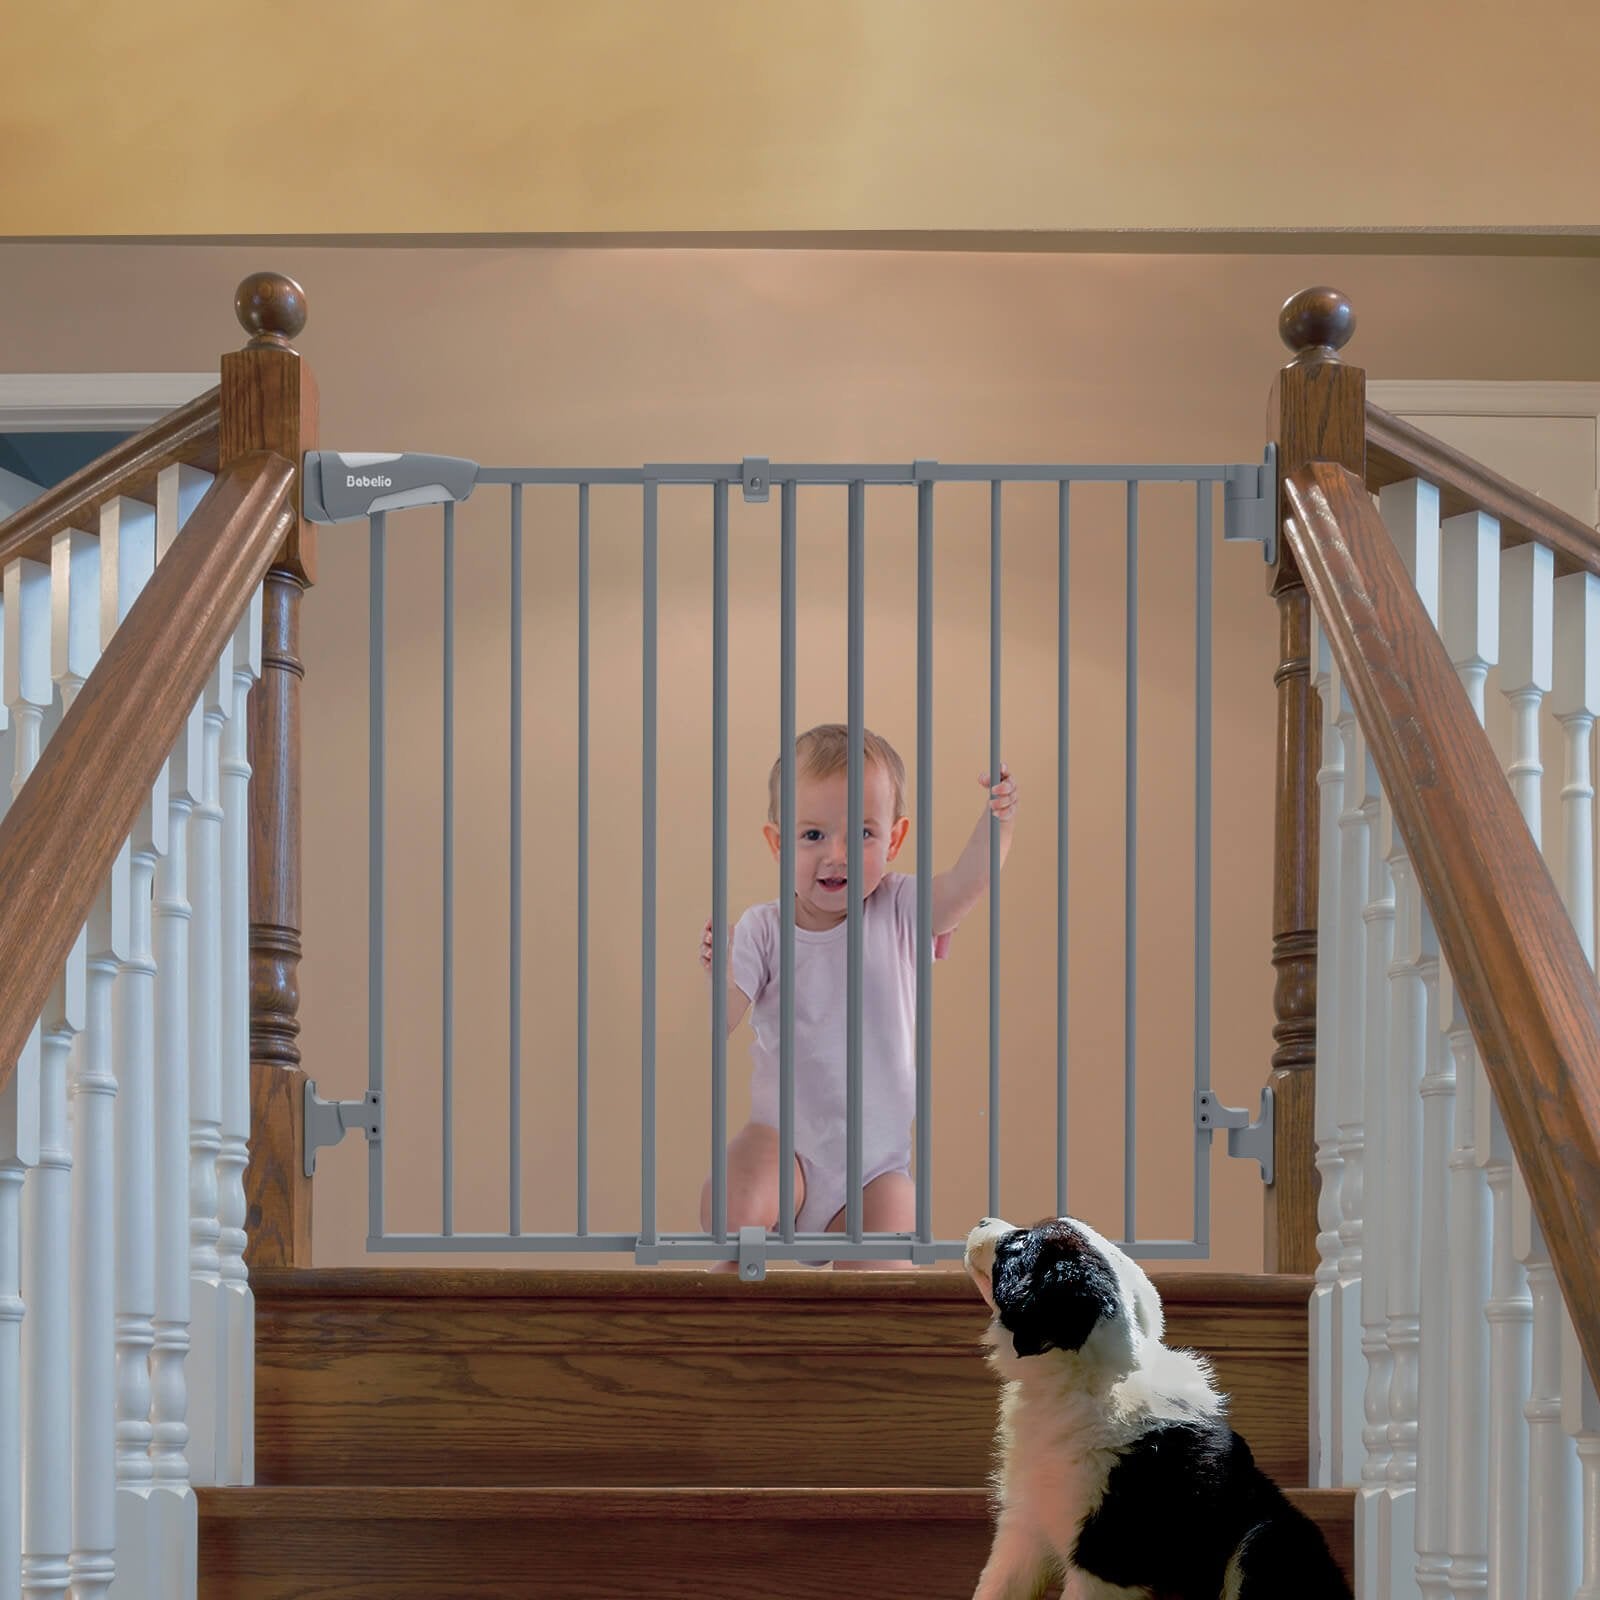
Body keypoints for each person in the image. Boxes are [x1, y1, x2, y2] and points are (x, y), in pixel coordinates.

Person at [698, 723, 1017, 1269]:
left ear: (894, 839)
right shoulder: (762, 928)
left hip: (872, 1171)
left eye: (862, 833)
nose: (837, 855)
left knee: (889, 1258)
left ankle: (846, 1336)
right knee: (733, 1209)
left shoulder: (899, 908)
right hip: (784, 1150)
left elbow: (968, 883)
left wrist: (999, 822)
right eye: (813, 835)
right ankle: (727, 1298)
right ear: (778, 844)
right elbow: (722, 1020)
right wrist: (718, 974)